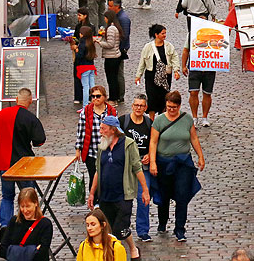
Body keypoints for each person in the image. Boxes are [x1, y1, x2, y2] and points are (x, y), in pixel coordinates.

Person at [87, 116, 150, 261]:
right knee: (108, 229)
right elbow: (98, 170)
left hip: (122, 196)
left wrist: (145, 190)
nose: (100, 131)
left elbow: (137, 168)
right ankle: (123, 251)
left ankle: (124, 252)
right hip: (105, 196)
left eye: (103, 128)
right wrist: (92, 193)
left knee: (118, 229)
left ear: (113, 130)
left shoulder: (128, 144)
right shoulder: (102, 146)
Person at [0, 87, 47, 238]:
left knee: (7, 196)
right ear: (30, 101)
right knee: (28, 196)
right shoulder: (31, 118)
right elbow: (39, 141)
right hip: (24, 163)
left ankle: (5, 225)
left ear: (16, 99)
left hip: (4, 162)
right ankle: (29, 225)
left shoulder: (2, 114)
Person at [148, 91, 205, 242]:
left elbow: (193, 137)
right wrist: (153, 162)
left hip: (183, 162)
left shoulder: (186, 119)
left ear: (179, 106)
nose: (171, 110)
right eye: (168, 107)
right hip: (164, 162)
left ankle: (180, 228)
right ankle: (162, 221)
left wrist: (200, 156)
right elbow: (153, 142)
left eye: (174, 107)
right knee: (164, 195)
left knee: (182, 195)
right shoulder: (159, 120)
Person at [176, 0, 218, 127]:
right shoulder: (191, 34)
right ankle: (195, 117)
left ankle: (204, 117)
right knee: (193, 92)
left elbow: (183, 4)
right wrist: (184, 65)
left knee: (207, 93)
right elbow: (186, 50)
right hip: (195, 65)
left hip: (209, 65)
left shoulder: (214, 33)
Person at [119, 96, 153, 243]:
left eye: (142, 106)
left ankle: (143, 230)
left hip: (143, 167)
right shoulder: (123, 121)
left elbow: (154, 142)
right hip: (126, 167)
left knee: (143, 197)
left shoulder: (149, 123)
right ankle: (123, 228)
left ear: (145, 108)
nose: (138, 108)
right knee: (124, 199)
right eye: (136, 105)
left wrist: (150, 155)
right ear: (132, 106)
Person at [135, 24, 182, 117]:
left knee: (164, 98)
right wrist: (138, 75)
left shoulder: (169, 46)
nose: (165, 35)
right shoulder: (148, 47)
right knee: (152, 98)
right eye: (162, 33)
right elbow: (142, 62)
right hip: (151, 77)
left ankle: (162, 118)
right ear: (156, 35)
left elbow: (174, 58)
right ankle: (152, 121)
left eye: (165, 33)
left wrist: (176, 70)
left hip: (165, 77)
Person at [76, 85, 118, 190]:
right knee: (93, 177)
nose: (95, 99)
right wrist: (78, 149)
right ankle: (94, 202)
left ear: (104, 97)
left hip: (107, 150)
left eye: (98, 96)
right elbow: (80, 131)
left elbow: (116, 132)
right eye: (93, 96)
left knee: (106, 177)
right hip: (91, 152)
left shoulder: (112, 111)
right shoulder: (86, 111)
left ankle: (104, 201)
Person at [0, 187, 53, 261]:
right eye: (22, 206)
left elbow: (41, 254)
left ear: (36, 203)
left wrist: (13, 251)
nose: (25, 210)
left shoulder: (45, 224)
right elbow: (2, 250)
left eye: (28, 206)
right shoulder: (14, 221)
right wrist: (32, 251)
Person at [97, 9, 125, 103]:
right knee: (114, 77)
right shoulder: (115, 28)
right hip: (115, 56)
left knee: (111, 78)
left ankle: (113, 97)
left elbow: (110, 44)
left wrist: (99, 42)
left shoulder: (111, 29)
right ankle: (115, 96)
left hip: (111, 56)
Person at [72, 13, 98, 103]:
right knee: (92, 85)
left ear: (82, 34)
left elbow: (79, 56)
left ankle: (85, 104)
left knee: (85, 86)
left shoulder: (82, 44)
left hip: (83, 67)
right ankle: (95, 100)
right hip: (91, 67)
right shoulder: (90, 43)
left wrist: (76, 51)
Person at [108, 0, 131, 98]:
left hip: (120, 49)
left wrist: (119, 48)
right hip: (118, 48)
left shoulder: (123, 19)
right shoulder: (117, 16)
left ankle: (120, 95)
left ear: (117, 7)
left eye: (110, 6)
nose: (109, 8)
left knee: (118, 73)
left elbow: (125, 36)